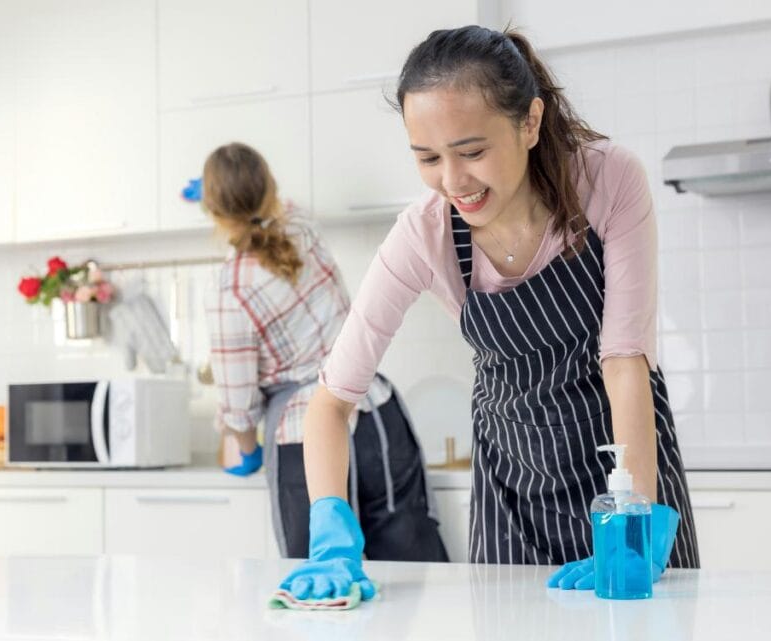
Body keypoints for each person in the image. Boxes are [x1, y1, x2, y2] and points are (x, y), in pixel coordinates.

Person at [277, 26, 700, 602]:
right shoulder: (422, 236)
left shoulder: (606, 179)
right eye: (428, 158)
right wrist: (330, 532)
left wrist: (632, 522)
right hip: (512, 490)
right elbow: (330, 403)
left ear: (529, 122)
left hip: (626, 481)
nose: (453, 182)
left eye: (472, 152)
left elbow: (625, 362)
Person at [200, 142, 449, 563]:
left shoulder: (229, 288)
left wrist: (248, 451)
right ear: (271, 188)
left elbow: (238, 407)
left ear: (214, 212)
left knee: (324, 586)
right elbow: (278, 208)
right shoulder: (302, 227)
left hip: (304, 442)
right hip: (376, 412)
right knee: (415, 571)